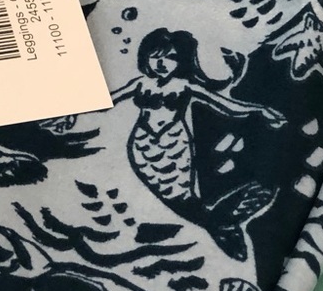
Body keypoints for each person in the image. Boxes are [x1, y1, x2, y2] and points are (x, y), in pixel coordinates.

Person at [110, 28, 286, 259]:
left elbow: (226, 106)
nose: (162, 63)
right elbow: (110, 98)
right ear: (146, 58)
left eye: (171, 57)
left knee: (181, 195)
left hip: (174, 145)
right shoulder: (140, 84)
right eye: (155, 56)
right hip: (143, 146)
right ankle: (224, 223)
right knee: (169, 194)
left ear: (181, 61)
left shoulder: (185, 86)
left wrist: (260, 110)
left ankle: (222, 225)